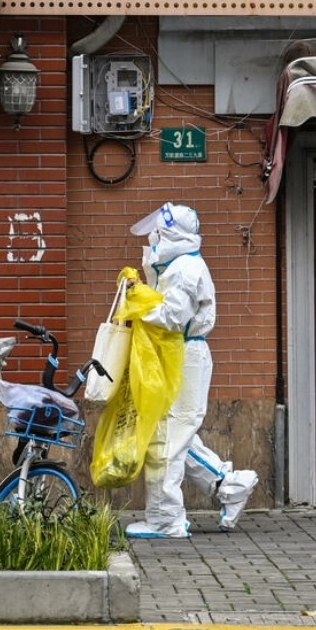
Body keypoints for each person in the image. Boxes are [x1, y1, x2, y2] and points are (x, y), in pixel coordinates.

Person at [123, 202, 259, 539]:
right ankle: (228, 484)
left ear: (171, 233)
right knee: (174, 432)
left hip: (184, 354)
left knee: (169, 436)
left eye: (159, 231)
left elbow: (172, 316)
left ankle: (166, 520)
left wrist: (138, 304)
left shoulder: (184, 269)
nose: (153, 237)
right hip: (177, 353)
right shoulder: (178, 265)